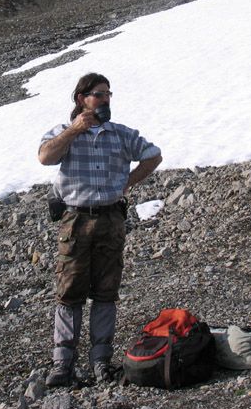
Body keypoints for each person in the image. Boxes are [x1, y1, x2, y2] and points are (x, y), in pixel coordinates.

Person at [38, 72, 162, 387]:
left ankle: (101, 362)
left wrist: (128, 183)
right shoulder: (64, 132)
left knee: (106, 292)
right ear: (82, 99)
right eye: (99, 93)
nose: (105, 99)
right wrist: (74, 130)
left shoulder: (120, 134)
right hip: (75, 220)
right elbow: (45, 157)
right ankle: (62, 364)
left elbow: (153, 156)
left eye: (108, 94)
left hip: (110, 219)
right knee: (70, 292)